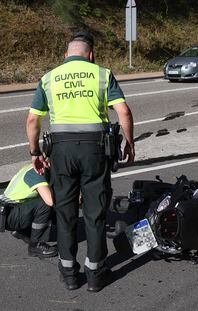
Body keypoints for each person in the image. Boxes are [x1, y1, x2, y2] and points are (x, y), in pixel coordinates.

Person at [26, 31, 135, 292]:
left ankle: (69, 274)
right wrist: (130, 143)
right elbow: (124, 112)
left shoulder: (49, 78)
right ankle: (96, 274)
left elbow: (32, 120)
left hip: (61, 153)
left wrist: (35, 152)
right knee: (95, 213)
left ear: (66, 55)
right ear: (91, 54)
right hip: (95, 151)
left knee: (65, 214)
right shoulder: (102, 74)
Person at [0, 163, 57, 258]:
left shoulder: (30, 167)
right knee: (44, 205)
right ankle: (36, 246)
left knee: (40, 199)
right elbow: (50, 201)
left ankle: (22, 230)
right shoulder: (37, 172)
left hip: (7, 211)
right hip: (8, 214)